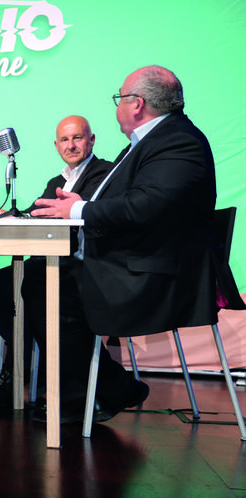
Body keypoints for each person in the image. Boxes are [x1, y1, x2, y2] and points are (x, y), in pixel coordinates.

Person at [30, 65, 218, 423]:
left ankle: (92, 390)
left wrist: (78, 209)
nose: (116, 106)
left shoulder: (177, 141)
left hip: (151, 276)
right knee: (24, 282)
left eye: (119, 98)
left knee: (45, 286)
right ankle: (102, 386)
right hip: (129, 261)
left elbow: (145, 206)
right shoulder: (150, 142)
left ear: (136, 104)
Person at [0, 115, 112, 407]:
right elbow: (30, 213)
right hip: (50, 265)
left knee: (31, 288)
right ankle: (30, 354)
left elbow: (79, 219)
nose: (70, 145)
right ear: (56, 145)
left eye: (77, 138)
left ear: (92, 140)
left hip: (84, 268)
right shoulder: (56, 181)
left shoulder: (104, 174)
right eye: (64, 140)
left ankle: (22, 369)